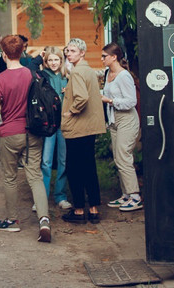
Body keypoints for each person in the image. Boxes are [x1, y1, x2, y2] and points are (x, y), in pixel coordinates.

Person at [0, 35, 51, 242]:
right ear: (23, 52)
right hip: (32, 131)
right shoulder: (33, 74)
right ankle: (44, 220)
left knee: (10, 177)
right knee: (35, 176)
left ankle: (12, 221)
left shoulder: (1, 79)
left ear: (4, 54)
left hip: (10, 133)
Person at [60, 38, 107, 224]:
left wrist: (70, 111)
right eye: (67, 51)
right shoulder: (88, 70)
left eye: (72, 51)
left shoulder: (78, 72)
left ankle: (79, 210)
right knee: (89, 167)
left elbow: (82, 98)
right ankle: (94, 210)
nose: (68, 54)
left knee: (74, 169)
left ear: (82, 53)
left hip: (78, 128)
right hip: (90, 127)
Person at [101, 42, 142, 212]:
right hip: (114, 119)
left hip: (127, 119)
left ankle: (135, 196)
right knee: (118, 157)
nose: (102, 59)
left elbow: (132, 101)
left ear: (114, 57)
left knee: (124, 156)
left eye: (104, 56)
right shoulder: (108, 73)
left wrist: (110, 101)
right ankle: (125, 194)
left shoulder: (124, 76)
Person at [39, 47, 72, 210]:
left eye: (56, 60)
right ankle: (42, 197)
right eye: (50, 60)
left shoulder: (68, 77)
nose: (53, 63)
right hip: (49, 124)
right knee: (45, 161)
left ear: (61, 60)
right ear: (46, 61)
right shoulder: (43, 76)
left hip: (64, 123)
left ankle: (60, 195)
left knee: (63, 160)